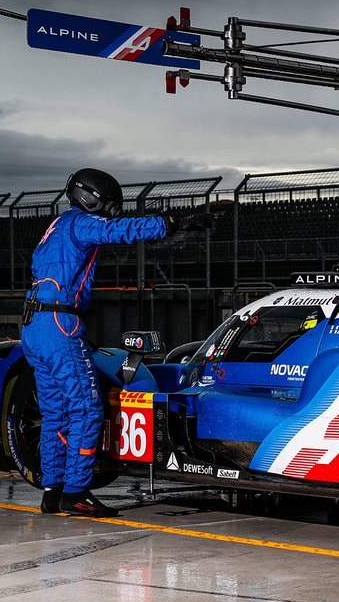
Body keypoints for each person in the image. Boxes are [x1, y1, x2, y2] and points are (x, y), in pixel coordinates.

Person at [23, 168, 212, 518]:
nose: (113, 211)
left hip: (33, 324)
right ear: (91, 198)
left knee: (55, 413)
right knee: (86, 408)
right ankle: (77, 493)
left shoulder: (56, 227)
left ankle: (52, 491)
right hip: (59, 324)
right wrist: (173, 223)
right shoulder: (82, 224)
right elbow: (121, 231)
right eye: (109, 204)